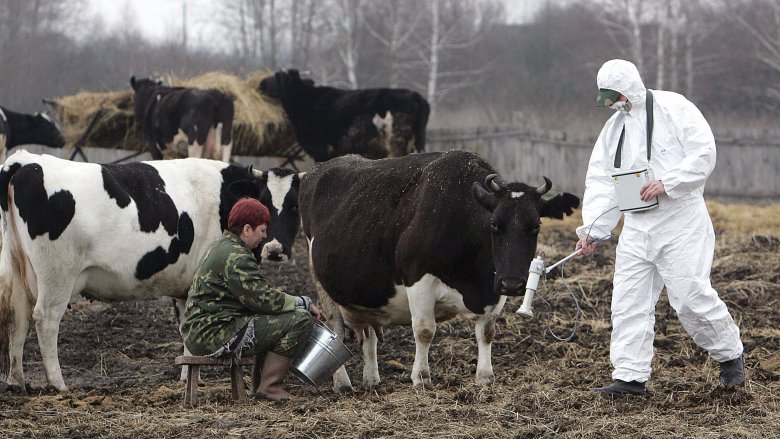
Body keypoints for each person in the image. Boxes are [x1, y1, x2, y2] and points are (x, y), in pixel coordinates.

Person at [576, 59, 744, 396]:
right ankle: (630, 378)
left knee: (690, 297)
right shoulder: (613, 129)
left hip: (680, 220)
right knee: (627, 301)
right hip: (637, 227)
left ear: (630, 88)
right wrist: (593, 228)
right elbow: (602, 181)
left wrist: (669, 182)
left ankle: (730, 357)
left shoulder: (674, 107)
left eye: (617, 96)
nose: (614, 103)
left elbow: (703, 153)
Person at [181, 197, 323, 401]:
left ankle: (259, 385)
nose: (264, 237)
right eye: (262, 230)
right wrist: (304, 303)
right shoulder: (236, 256)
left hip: (201, 330)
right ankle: (270, 386)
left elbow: (258, 297)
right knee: (300, 320)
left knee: (275, 320)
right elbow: (265, 300)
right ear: (247, 229)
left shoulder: (221, 246)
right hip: (214, 334)